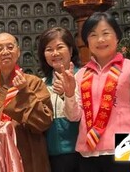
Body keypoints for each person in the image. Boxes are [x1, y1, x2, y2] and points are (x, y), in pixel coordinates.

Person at [61, 12, 130, 172]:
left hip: (125, 145)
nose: (100, 40)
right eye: (93, 35)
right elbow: (73, 116)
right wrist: (68, 94)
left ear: (117, 37)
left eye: (106, 33)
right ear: (87, 42)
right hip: (88, 149)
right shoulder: (81, 74)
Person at [0, 33, 53, 172]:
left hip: (27, 153)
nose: (5, 52)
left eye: (10, 47)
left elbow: (44, 122)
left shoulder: (32, 82)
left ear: (18, 52)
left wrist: (24, 91)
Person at [37, 27, 81, 172]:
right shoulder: (42, 84)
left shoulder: (84, 77)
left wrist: (66, 94)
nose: (54, 53)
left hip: (82, 152)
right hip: (53, 154)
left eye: (60, 47)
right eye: (49, 49)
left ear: (71, 50)